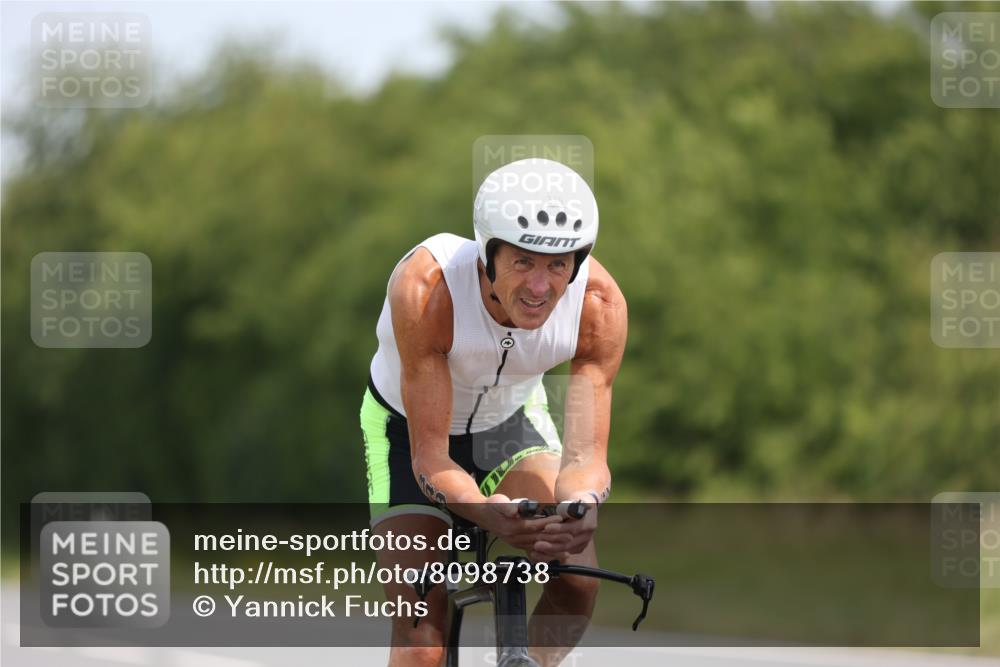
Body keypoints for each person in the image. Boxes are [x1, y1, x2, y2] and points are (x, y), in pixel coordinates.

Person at [360, 157, 627, 667]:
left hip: (512, 425)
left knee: (576, 578)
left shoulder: (598, 305)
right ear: (487, 255)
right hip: (405, 432)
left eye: (557, 264)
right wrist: (488, 514)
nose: (541, 287)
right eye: (523, 262)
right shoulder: (428, 289)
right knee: (421, 633)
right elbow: (432, 458)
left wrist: (581, 506)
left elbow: (587, 457)